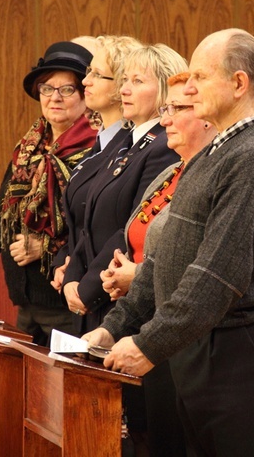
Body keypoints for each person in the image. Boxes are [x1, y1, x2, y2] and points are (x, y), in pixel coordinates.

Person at [83, 29, 254, 457]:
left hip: (243, 357)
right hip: (202, 347)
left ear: (239, 84)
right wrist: (114, 328)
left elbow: (216, 274)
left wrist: (148, 344)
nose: (190, 85)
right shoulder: (217, 152)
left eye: (201, 75)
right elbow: (169, 260)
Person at [54, 43, 188, 454]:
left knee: (139, 430)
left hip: (128, 297)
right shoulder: (125, 144)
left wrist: (87, 284)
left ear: (166, 90)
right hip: (105, 293)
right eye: (124, 80)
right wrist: (72, 271)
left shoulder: (164, 145)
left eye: (137, 81)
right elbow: (88, 219)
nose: (126, 89)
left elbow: (127, 229)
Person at [100, 71, 217, 457]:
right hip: (149, 320)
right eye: (165, 109)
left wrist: (137, 275)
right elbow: (144, 241)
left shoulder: (215, 175)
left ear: (208, 117)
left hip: (185, 339)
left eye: (176, 108)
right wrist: (112, 324)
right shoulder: (173, 171)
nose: (164, 119)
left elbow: (210, 270)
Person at [0, 41, 97, 345]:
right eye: (47, 88)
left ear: (88, 95)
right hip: (28, 308)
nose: (55, 98)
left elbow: (98, 231)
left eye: (67, 89)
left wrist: (46, 247)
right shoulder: (30, 151)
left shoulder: (99, 151)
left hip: (72, 309)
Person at [51, 34, 142, 287]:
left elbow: (121, 228)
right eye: (88, 71)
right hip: (80, 281)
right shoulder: (101, 142)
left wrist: (83, 284)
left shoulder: (133, 145)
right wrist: (65, 262)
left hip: (106, 288)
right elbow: (80, 224)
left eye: (96, 74)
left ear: (121, 85)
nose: (85, 81)